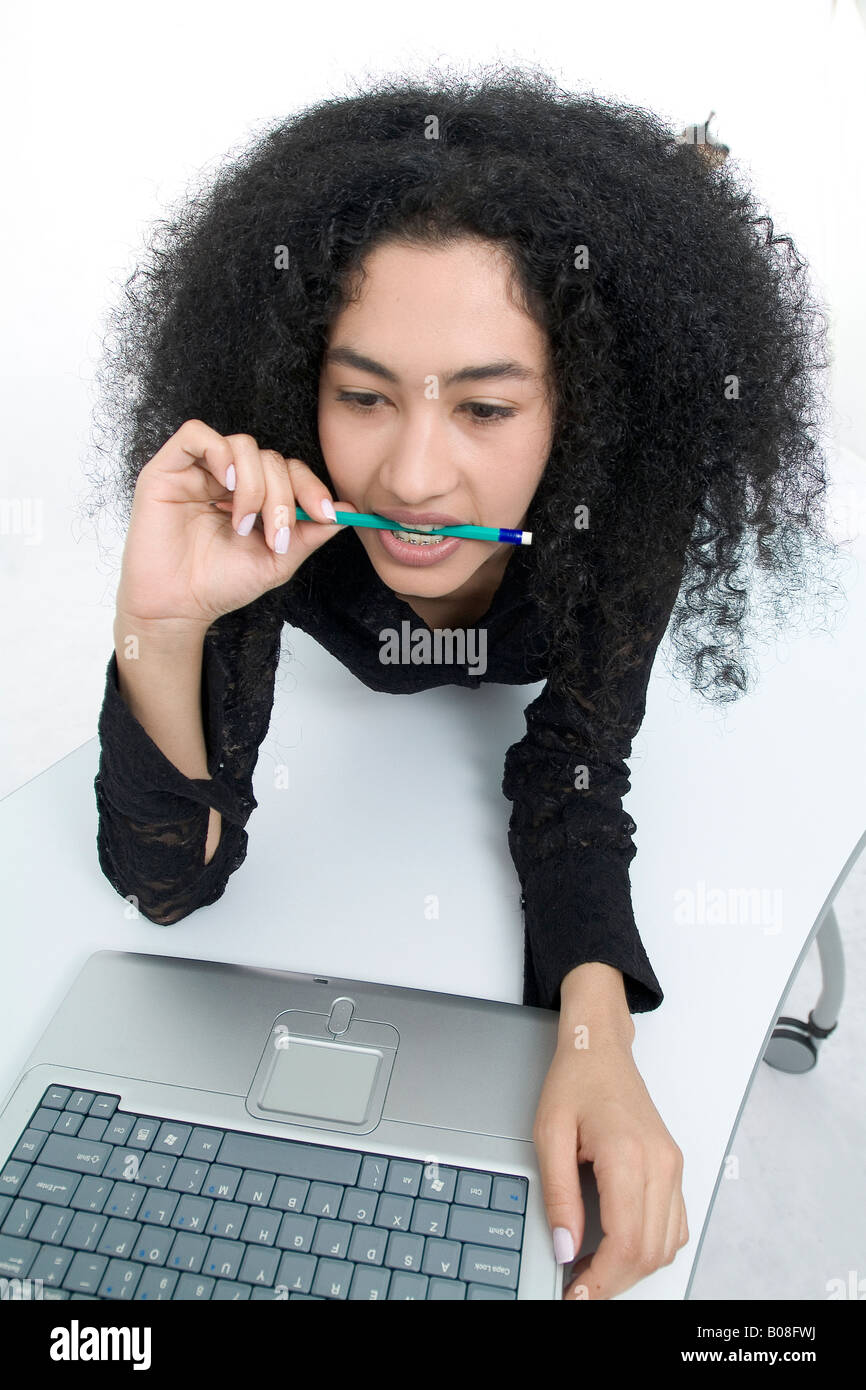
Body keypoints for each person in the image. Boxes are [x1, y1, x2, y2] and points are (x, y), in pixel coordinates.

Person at [84, 62, 837, 1300]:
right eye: (363, 396)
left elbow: (575, 774)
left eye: (485, 409)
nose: (416, 478)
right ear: (302, 384)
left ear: (579, 410)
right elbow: (169, 880)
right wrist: (155, 626)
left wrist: (596, 1038)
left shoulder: (620, 501)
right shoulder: (271, 500)